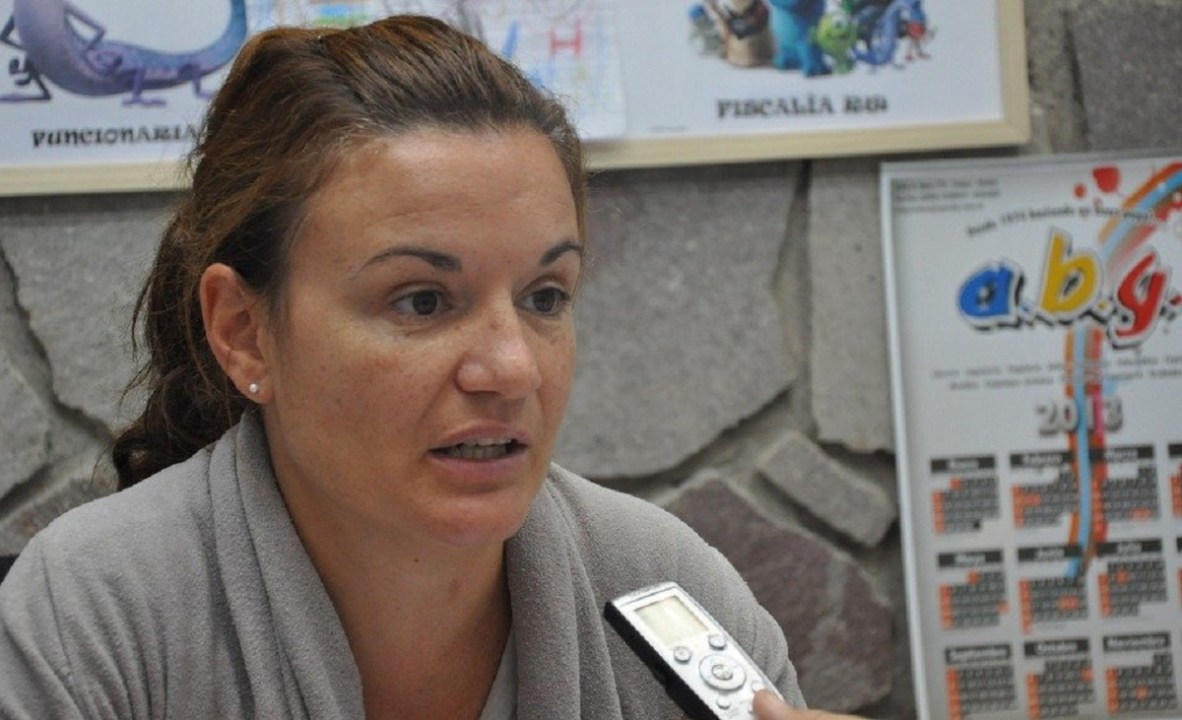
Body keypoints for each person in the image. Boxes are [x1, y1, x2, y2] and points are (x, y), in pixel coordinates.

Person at [0, 14, 859, 720]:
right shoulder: (98, 617)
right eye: (421, 301)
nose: (512, 369)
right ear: (244, 333)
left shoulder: (667, 586)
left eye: (545, 296)